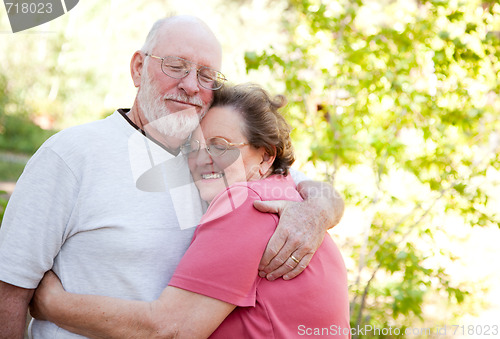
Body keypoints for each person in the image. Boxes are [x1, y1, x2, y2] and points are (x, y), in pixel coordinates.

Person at [0, 16, 344, 338]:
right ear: (138, 68)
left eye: (207, 76)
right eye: (176, 66)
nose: (191, 85)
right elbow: (9, 289)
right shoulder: (72, 155)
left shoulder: (219, 162)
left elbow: (315, 189)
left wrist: (314, 213)